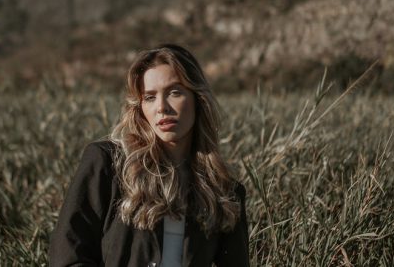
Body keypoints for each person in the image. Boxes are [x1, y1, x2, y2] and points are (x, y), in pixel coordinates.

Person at [49, 44, 249, 267]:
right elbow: (68, 256)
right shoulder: (108, 164)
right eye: (150, 97)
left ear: (197, 98)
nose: (162, 107)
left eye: (174, 92)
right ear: (140, 106)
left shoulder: (224, 191)